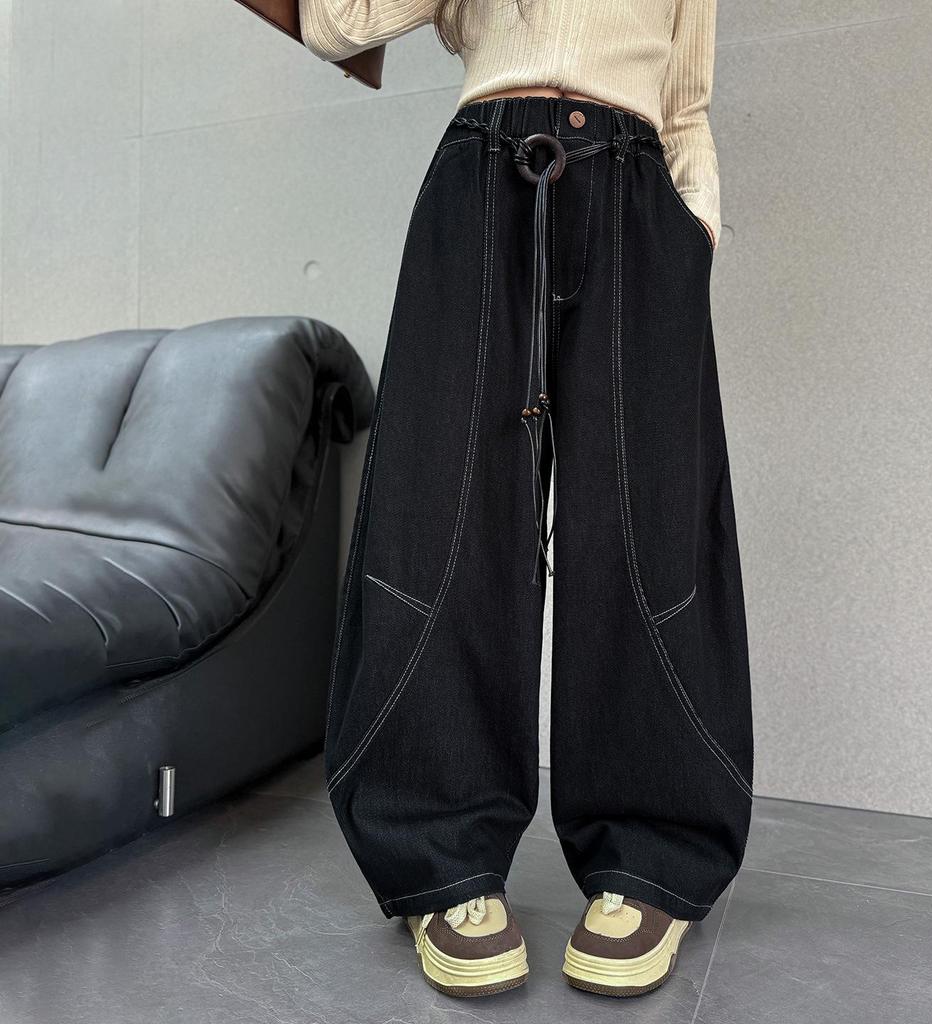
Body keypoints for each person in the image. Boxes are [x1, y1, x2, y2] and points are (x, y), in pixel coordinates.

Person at [298, 0, 753, 1000]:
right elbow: (336, 25)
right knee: (443, 521)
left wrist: (693, 236)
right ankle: (440, 848)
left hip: (639, 198)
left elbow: (686, 105)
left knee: (644, 531)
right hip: (480, 181)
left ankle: (652, 850)